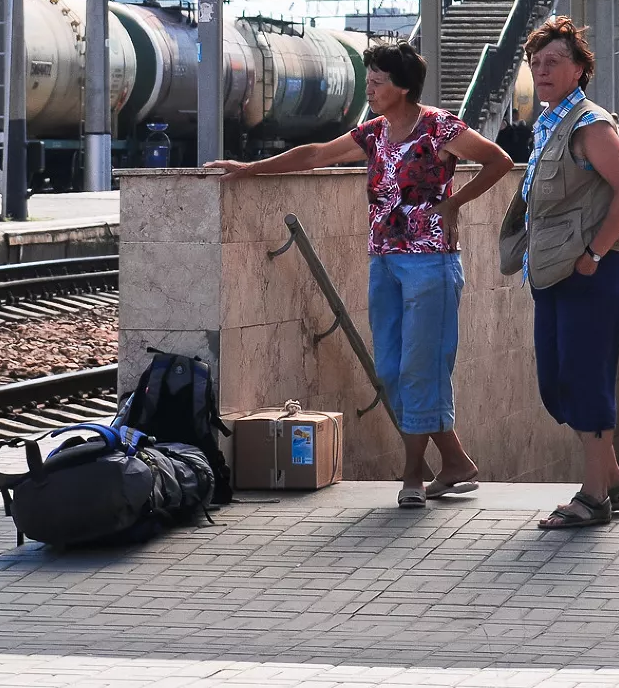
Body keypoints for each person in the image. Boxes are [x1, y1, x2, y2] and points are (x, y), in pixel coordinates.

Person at [209, 41, 514, 508]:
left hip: (431, 262)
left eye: (377, 81)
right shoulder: (374, 132)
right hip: (384, 262)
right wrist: (251, 168)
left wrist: (455, 203)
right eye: (368, 80)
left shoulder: (438, 126)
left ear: (403, 87)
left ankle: (413, 474)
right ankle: (455, 461)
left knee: (420, 369)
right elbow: (315, 155)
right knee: (390, 371)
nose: (368, 88)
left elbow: (499, 161)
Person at [498, 17, 619, 530]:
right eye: (535, 62)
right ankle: (615, 482)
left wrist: (595, 255)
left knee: (586, 381)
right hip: (553, 274)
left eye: (554, 62)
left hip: (590, 276)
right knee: (558, 383)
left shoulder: (590, 125)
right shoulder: (549, 123)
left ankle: (594, 496)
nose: (541, 70)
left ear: (580, 70)